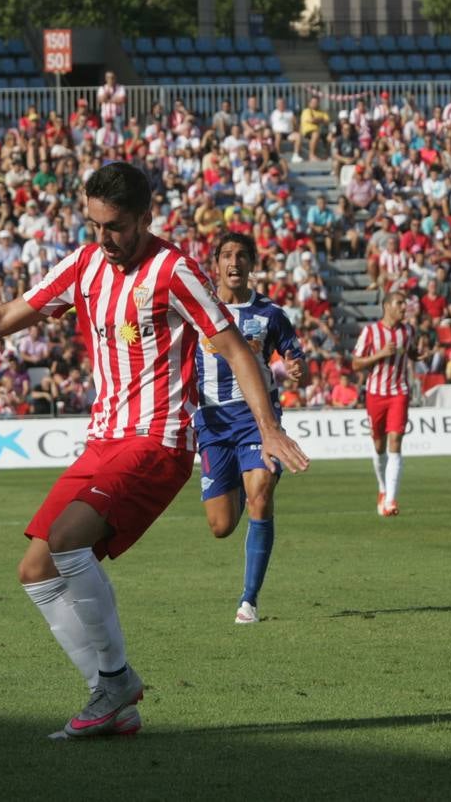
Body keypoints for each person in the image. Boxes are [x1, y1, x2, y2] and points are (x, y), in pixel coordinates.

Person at [0, 162, 309, 740]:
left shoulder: (175, 271)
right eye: (95, 224)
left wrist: (267, 426)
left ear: (146, 217)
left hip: (158, 439)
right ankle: (111, 697)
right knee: (35, 569)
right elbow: (4, 318)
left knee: (68, 541)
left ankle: (118, 682)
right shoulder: (84, 264)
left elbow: (233, 348)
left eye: (116, 226)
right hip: (103, 441)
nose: (104, 238)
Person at [194, 232, 305, 625]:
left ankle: (249, 601)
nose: (234, 262)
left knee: (261, 494)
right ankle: (239, 481)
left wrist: (296, 367)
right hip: (212, 421)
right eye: (226, 255)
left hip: (257, 420)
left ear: (252, 263)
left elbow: (295, 356)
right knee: (221, 526)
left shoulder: (270, 315)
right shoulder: (198, 312)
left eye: (242, 255)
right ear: (216, 264)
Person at [352, 292, 417, 517]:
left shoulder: (408, 331)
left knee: (395, 441)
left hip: (399, 392)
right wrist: (379, 354)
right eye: (400, 303)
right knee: (378, 446)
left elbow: (412, 352)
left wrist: (420, 355)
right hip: (375, 394)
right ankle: (382, 488)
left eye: (404, 303)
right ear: (387, 306)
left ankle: (390, 500)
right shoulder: (370, 332)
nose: (404, 307)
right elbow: (355, 363)